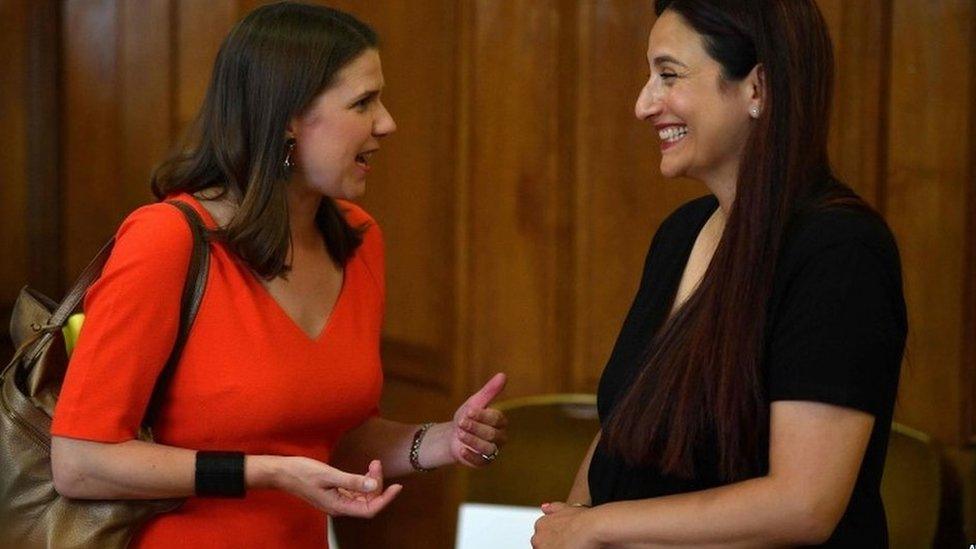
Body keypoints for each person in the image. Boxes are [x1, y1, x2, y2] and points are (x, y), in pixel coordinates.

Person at [50, 3, 508, 547]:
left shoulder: (358, 238)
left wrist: (438, 441)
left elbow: (329, 439)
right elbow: (79, 462)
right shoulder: (165, 240)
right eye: (363, 102)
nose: (387, 123)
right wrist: (265, 471)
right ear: (287, 117)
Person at [532, 0, 906, 547]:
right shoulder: (682, 232)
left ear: (759, 88)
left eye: (669, 75)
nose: (643, 104)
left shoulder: (840, 250)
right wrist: (574, 517)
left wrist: (595, 527)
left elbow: (803, 505)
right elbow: (626, 427)